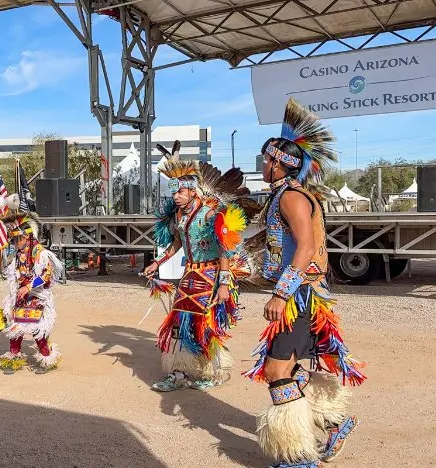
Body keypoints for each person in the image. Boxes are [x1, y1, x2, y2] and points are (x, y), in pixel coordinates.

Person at [243, 98, 366, 468]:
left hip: (299, 295)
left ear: (280, 162)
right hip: (303, 293)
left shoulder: (293, 197)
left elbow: (307, 247)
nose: (263, 165)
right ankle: (333, 421)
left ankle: (297, 455)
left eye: (266, 160)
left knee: (277, 370)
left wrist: (282, 293)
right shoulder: (285, 194)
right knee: (289, 366)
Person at [143, 141, 252, 392]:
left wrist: (224, 284)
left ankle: (214, 372)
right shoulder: (180, 216)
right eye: (174, 193)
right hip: (190, 274)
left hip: (212, 274)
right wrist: (157, 263)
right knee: (179, 322)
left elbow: (225, 248)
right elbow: (177, 243)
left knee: (206, 324)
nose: (176, 197)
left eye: (180, 192)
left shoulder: (212, 215)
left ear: (193, 191)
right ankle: (178, 372)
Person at [0, 212, 63, 374]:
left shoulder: (40, 253)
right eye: (14, 239)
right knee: (15, 327)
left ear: (27, 237)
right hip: (20, 296)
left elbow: (46, 275)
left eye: (18, 239)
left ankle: (47, 358)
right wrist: (17, 290)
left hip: (37, 296)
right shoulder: (19, 254)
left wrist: (29, 287)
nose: (15, 242)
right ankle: (14, 356)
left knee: (37, 329)